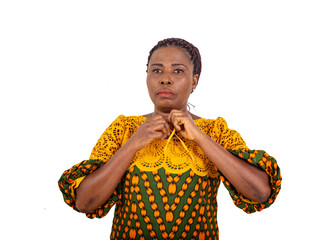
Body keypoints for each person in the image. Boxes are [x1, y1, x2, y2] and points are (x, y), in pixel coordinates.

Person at [58, 38, 282, 240]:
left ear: (194, 81)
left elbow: (260, 192)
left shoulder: (216, 131)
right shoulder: (124, 129)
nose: (165, 79)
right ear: (147, 77)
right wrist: (134, 143)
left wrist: (200, 137)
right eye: (156, 70)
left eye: (177, 71)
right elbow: (85, 202)